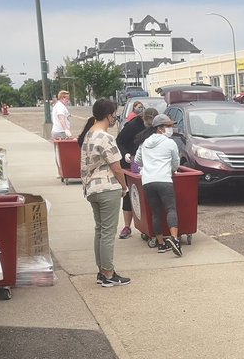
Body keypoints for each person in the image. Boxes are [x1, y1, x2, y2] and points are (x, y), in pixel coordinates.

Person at [77, 98, 131, 287]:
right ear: (109, 116)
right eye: (114, 114)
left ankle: (101, 271)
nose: (115, 118)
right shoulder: (105, 137)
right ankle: (109, 274)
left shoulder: (89, 135)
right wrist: (124, 187)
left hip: (92, 188)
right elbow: (117, 168)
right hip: (108, 188)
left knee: (100, 231)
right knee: (108, 232)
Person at [135, 113, 182, 256]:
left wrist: (149, 164)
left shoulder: (144, 143)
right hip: (164, 180)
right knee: (171, 209)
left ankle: (161, 243)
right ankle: (174, 239)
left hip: (148, 181)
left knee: (156, 212)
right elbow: (176, 163)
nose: (171, 128)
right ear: (160, 128)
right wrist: (171, 169)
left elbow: (138, 160)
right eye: (168, 126)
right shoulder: (170, 143)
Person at [117, 107, 157, 238]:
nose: (150, 126)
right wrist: (125, 155)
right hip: (131, 162)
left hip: (150, 164)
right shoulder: (133, 126)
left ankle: (150, 224)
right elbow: (119, 141)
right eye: (148, 123)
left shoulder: (157, 127)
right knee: (130, 194)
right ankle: (127, 227)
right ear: (143, 119)